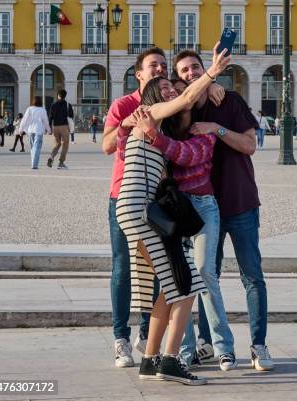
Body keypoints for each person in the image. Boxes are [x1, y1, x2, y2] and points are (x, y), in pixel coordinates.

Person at [102, 46, 226, 370]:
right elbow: (185, 101)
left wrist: (211, 90)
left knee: (171, 285)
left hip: (140, 210)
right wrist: (211, 72)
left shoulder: (154, 123)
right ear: (154, 95)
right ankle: (169, 359)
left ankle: (151, 358)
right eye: (167, 88)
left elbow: (186, 109)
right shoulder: (147, 113)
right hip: (137, 209)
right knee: (186, 283)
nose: (172, 88)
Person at [173, 48, 274, 372]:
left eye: (195, 67)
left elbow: (249, 145)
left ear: (207, 68)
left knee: (252, 277)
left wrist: (216, 128)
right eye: (185, 71)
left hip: (240, 202)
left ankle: (258, 345)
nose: (191, 73)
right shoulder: (181, 110)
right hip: (202, 211)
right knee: (204, 277)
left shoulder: (229, 101)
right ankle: (206, 344)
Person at [19, 96, 51, 169]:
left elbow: (24, 120)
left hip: (31, 130)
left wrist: (21, 129)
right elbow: (45, 121)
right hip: (39, 130)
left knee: (33, 148)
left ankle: (33, 163)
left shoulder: (29, 109)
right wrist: (48, 130)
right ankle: (34, 164)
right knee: (37, 148)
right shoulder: (43, 110)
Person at [47, 89, 74, 170]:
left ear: (58, 95)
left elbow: (50, 117)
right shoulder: (68, 105)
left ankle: (51, 157)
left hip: (55, 127)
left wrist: (49, 128)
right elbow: (71, 115)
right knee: (65, 145)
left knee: (57, 144)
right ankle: (61, 163)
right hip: (64, 126)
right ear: (65, 96)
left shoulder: (53, 105)